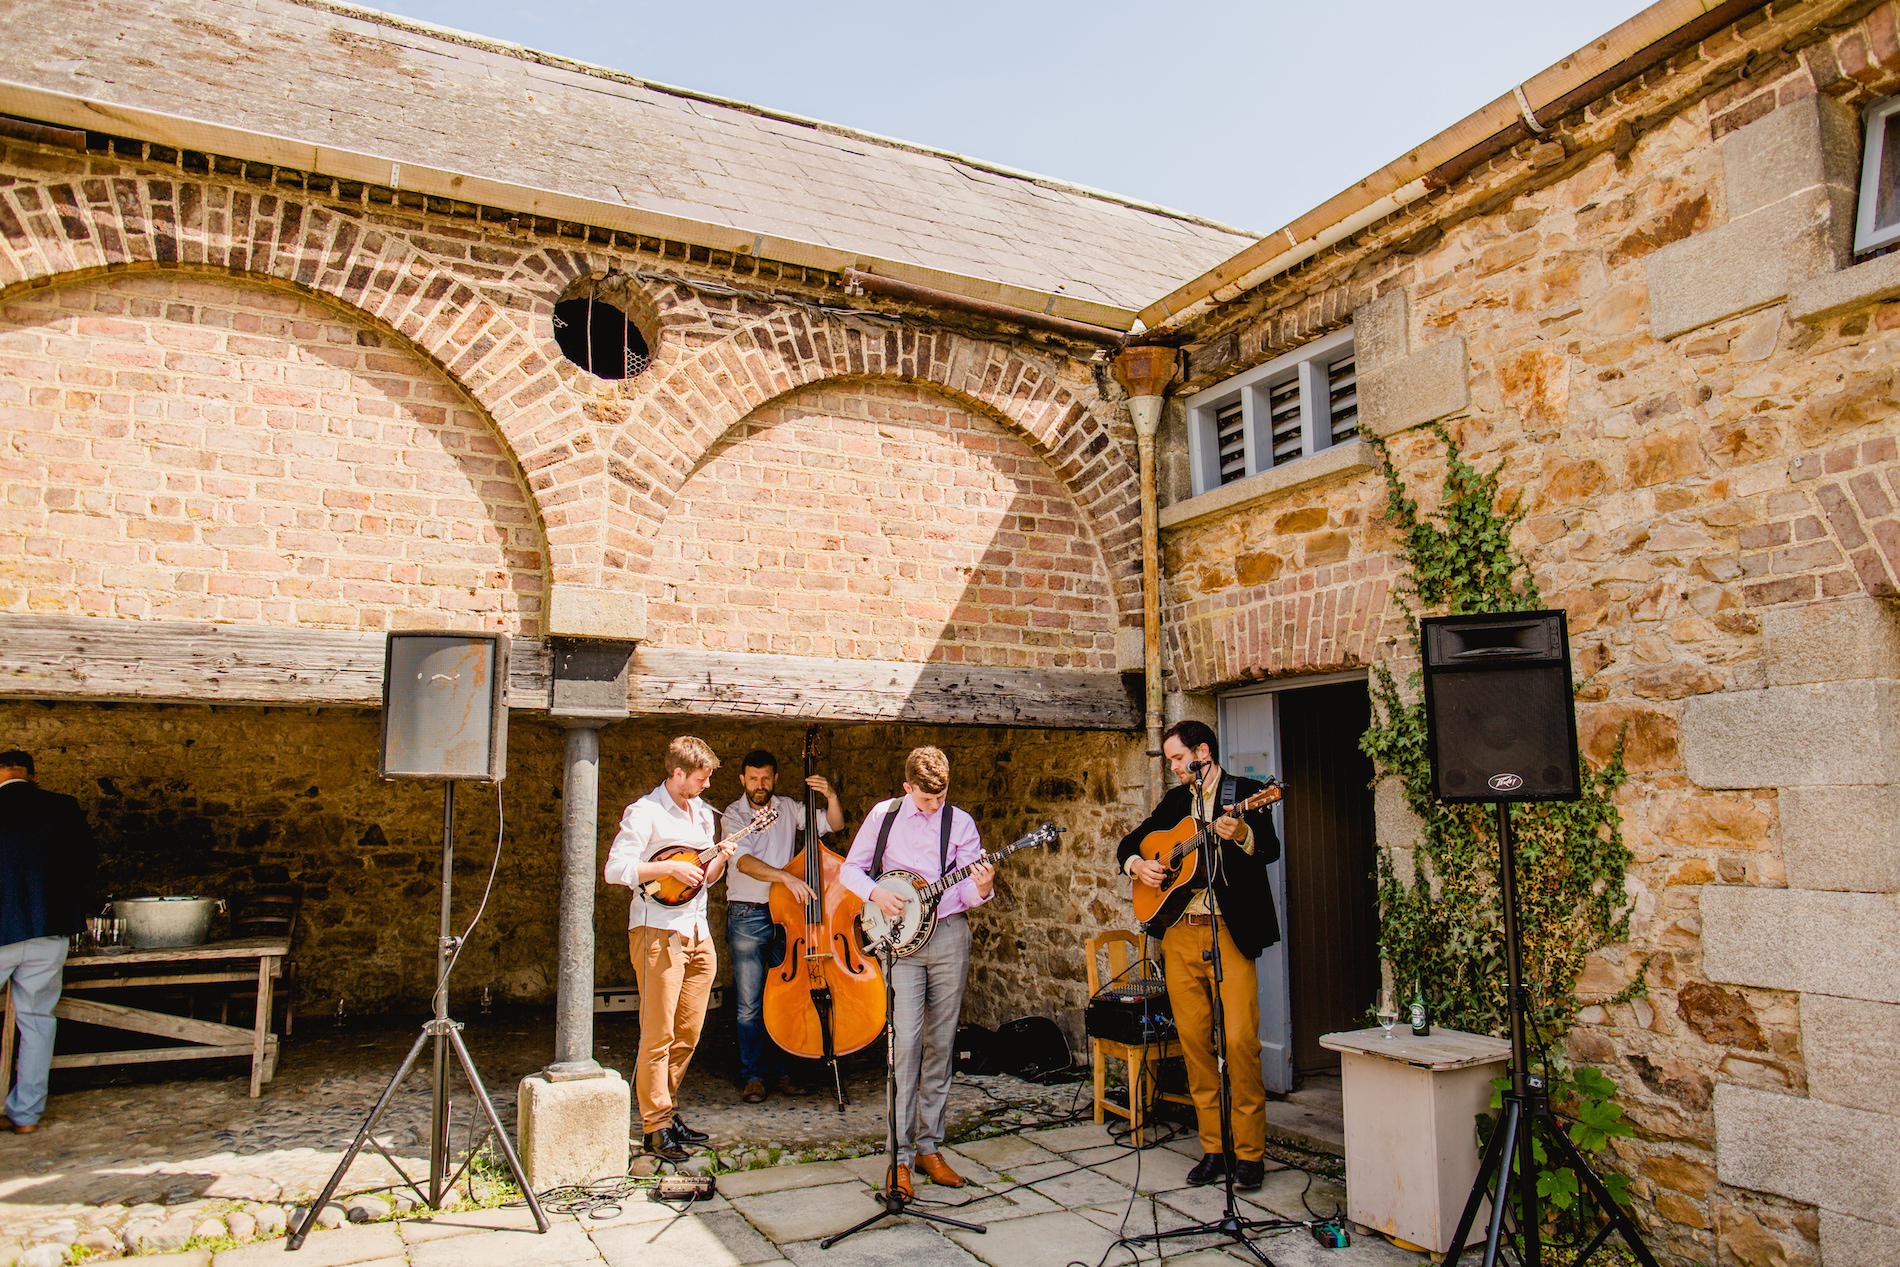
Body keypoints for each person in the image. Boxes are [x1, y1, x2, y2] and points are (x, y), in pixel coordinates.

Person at [1116, 720, 1280, 1192]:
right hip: (1180, 937)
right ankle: (1213, 1148)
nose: (1172, 766)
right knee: (1193, 1043)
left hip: (1229, 933)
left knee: (1241, 1042)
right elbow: (1130, 844)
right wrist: (1139, 866)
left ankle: (1249, 1154)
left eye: (1176, 758)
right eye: (1170, 759)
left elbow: (1269, 849)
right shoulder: (1174, 802)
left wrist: (1242, 832)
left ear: (1201, 752)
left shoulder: (1244, 792)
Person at [839, 746, 993, 1198]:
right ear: (907, 788)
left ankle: (929, 1147)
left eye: (941, 797)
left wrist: (982, 887)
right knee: (905, 1045)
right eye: (926, 799)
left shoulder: (960, 822)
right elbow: (850, 870)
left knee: (941, 1044)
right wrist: (876, 894)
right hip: (900, 941)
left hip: (948, 935)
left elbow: (968, 891)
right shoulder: (884, 816)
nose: (934, 805)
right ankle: (900, 1157)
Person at [603, 736, 736, 1164]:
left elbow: (703, 879)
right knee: (658, 1034)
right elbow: (615, 869)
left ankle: (667, 1110)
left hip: (698, 931)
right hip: (656, 931)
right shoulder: (645, 812)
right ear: (678, 773)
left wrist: (721, 858)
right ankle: (654, 1127)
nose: (706, 785)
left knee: (688, 1033)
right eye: (700, 778)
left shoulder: (703, 814)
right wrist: (668, 866)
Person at [721, 749, 843, 1104]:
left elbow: (834, 825)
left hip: (786, 916)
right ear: (742, 780)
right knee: (750, 1003)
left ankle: (782, 1072)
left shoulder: (788, 807)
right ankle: (753, 1076)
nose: (759, 785)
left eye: (765, 778)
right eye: (753, 778)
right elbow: (743, 861)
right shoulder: (733, 814)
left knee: (785, 997)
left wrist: (831, 796)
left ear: (774, 779)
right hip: (747, 914)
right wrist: (786, 878)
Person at [0, 750, 95, 1134]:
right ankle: (25, 1116)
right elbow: (85, 866)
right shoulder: (64, 807)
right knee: (38, 1022)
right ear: (33, 776)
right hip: (49, 929)